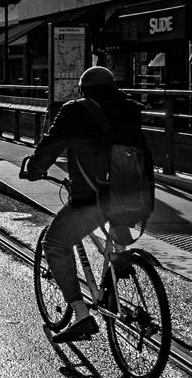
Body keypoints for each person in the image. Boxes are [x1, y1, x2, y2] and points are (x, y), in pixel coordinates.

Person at [22, 66, 153, 344]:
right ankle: (116, 278)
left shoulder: (76, 110)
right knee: (115, 240)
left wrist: (34, 169)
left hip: (94, 197)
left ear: (83, 90)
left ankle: (82, 317)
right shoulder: (130, 108)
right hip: (135, 196)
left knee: (55, 244)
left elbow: (50, 145)